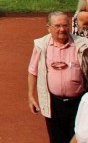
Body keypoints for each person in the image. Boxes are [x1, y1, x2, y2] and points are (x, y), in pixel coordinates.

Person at [28, 11, 88, 143]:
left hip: (78, 102)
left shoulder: (83, 45)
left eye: (65, 25)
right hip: (53, 103)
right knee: (56, 138)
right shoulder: (41, 45)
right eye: (57, 26)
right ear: (48, 28)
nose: (62, 29)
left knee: (79, 137)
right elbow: (33, 70)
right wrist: (31, 96)